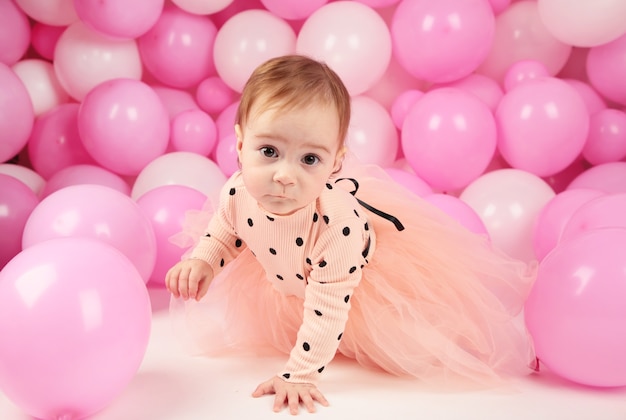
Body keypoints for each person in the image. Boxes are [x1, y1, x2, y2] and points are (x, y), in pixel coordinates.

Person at [165, 54, 537, 415]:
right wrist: (204, 260)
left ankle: (480, 342)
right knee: (299, 304)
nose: (284, 176)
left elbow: (328, 307)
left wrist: (300, 373)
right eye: (269, 151)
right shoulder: (237, 191)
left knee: (421, 341)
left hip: (358, 287)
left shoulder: (334, 225)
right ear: (240, 144)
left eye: (309, 159)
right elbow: (227, 229)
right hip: (295, 274)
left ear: (334, 162)